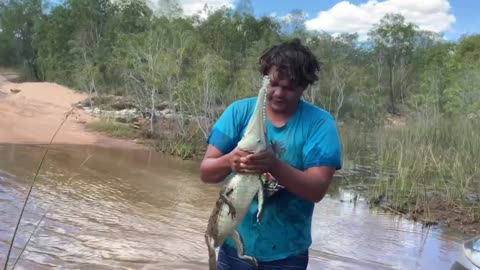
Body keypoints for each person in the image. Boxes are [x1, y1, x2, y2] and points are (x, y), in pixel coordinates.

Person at [199, 38, 342, 270]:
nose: (277, 93)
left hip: (288, 254)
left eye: (288, 88)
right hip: (236, 248)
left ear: (303, 87)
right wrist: (229, 160)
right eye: (273, 84)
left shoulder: (319, 124)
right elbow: (206, 172)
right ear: (265, 79)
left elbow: (317, 190)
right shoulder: (239, 112)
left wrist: (273, 165)